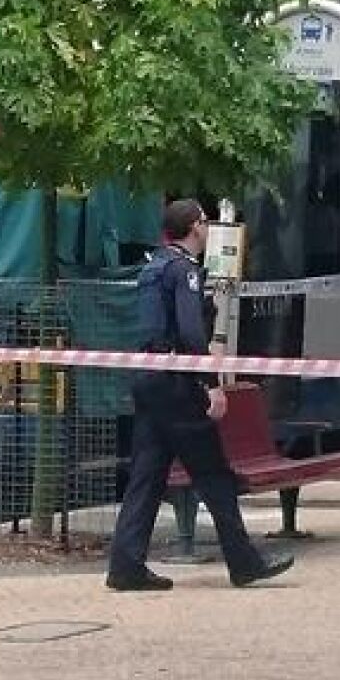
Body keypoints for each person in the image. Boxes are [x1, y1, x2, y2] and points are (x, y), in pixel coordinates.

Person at [106, 198, 293, 592]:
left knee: (146, 474)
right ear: (194, 227)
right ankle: (245, 563)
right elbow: (191, 333)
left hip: (149, 376)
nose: (207, 230)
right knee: (214, 474)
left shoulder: (153, 266)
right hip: (177, 383)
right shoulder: (184, 271)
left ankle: (126, 565)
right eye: (204, 223)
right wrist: (211, 385)